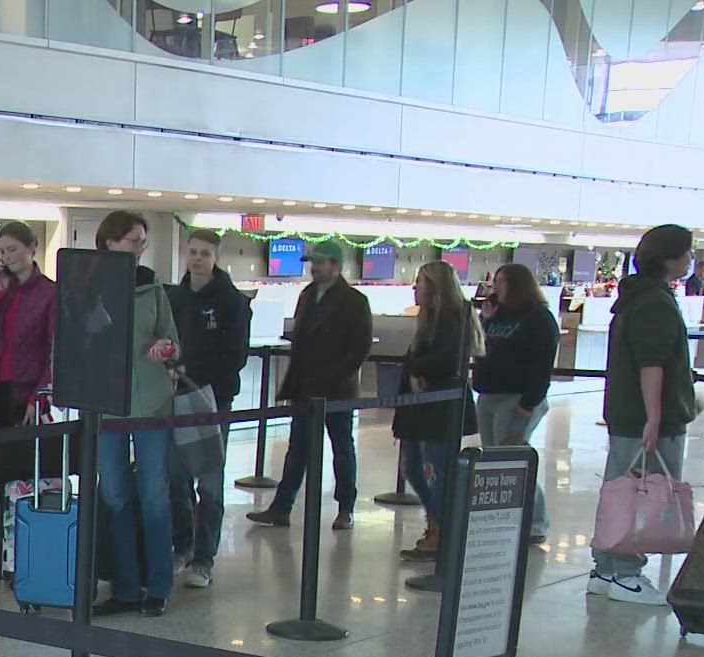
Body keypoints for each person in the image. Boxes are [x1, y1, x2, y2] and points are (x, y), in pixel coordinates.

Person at [589, 224, 701, 605]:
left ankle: (606, 568)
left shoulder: (635, 298)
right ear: (669, 257)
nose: (690, 260)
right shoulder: (654, 302)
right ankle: (626, 573)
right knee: (641, 493)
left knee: (622, 488)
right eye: (686, 253)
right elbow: (651, 362)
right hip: (648, 419)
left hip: (629, 415)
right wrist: (654, 416)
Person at [91, 212, 182, 617]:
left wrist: (165, 347)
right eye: (133, 241)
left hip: (151, 402)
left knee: (154, 496)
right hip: (106, 403)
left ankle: (158, 585)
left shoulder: (152, 286)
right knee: (115, 497)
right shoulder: (86, 283)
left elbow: (171, 337)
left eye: (143, 242)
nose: (140, 249)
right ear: (109, 242)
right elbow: (76, 338)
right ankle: (125, 586)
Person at [246, 239, 370, 531]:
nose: (314, 268)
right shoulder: (308, 295)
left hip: (337, 391)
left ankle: (345, 507)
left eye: (320, 262)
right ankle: (281, 507)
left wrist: (336, 377)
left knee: (342, 448)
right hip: (305, 388)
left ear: (336, 267)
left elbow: (359, 348)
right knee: (297, 450)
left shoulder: (354, 301)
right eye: (313, 262)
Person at [0, 220, 55, 577]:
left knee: (20, 475)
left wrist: (40, 396)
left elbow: (53, 349)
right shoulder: (1, 289)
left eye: (13, 249)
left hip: (25, 390)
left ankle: (16, 551)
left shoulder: (49, 293)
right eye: (2, 251)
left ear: (31, 248)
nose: (7, 257)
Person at [167, 229, 250, 589]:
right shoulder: (174, 297)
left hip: (214, 400)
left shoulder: (232, 302)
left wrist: (192, 372)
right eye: (192, 252)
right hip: (174, 398)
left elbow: (235, 357)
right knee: (176, 477)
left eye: (204, 253)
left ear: (216, 257)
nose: (197, 259)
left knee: (210, 481)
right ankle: (183, 546)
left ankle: (205, 557)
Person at [393, 260, 482, 563]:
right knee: (413, 469)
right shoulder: (428, 320)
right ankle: (438, 524)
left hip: (439, 410)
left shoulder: (453, 319)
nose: (415, 287)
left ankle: (444, 531)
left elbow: (445, 362)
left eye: (421, 281)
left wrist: (416, 367)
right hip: (420, 410)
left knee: (435, 472)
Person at [475, 262, 558, 545]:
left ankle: (536, 521)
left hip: (517, 397)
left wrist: (528, 403)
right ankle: (502, 515)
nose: (494, 287)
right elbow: (481, 349)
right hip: (489, 393)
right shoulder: (497, 314)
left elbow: (542, 364)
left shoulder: (538, 319)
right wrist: (485, 319)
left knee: (512, 457)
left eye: (501, 282)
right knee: (493, 458)